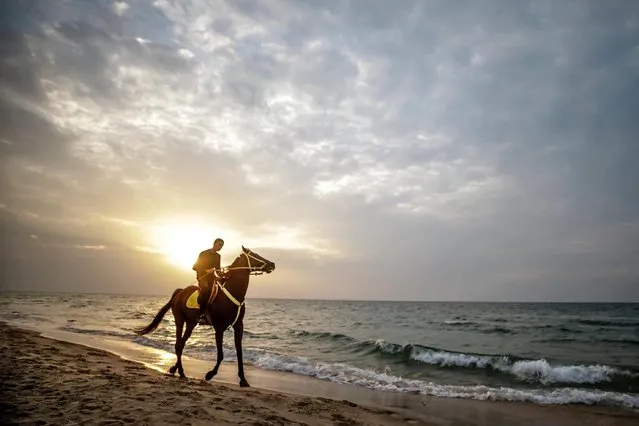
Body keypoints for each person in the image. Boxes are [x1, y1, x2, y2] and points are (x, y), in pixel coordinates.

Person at [192, 238, 224, 325]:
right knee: (206, 289)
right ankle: (201, 315)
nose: (220, 247)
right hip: (202, 276)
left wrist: (221, 272)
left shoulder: (218, 256)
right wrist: (206, 270)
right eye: (219, 245)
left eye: (222, 246)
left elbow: (217, 269)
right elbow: (195, 267)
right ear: (214, 244)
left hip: (212, 278)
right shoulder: (203, 253)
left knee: (222, 289)